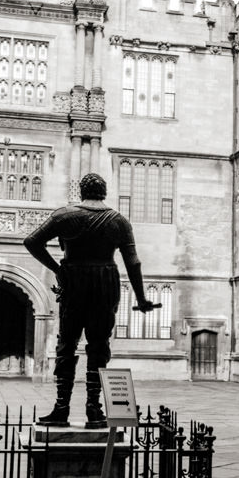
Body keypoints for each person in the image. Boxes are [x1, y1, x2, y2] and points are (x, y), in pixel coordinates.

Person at [23, 172, 159, 428]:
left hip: (74, 280)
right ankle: (94, 410)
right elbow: (133, 262)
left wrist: (57, 268)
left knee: (67, 344)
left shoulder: (64, 215)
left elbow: (31, 241)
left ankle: (61, 409)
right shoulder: (119, 221)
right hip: (105, 282)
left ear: (82, 192)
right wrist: (141, 299)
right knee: (98, 347)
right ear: (104, 192)